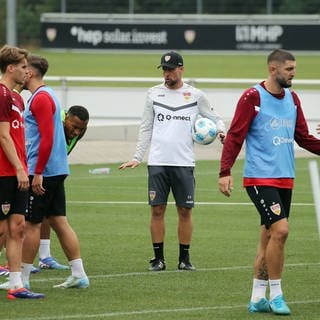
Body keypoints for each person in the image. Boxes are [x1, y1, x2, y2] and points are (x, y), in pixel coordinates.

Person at [218, 49, 320, 315]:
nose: (294, 73)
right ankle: (276, 294)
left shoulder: (293, 98)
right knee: (282, 231)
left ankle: (256, 298)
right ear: (273, 69)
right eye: (289, 69)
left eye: (294, 68)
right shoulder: (253, 97)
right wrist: (224, 171)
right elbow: (235, 136)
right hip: (259, 178)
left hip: (285, 178)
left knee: (269, 237)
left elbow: (303, 137)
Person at [119, 51, 225, 271]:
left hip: (184, 162)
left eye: (170, 69)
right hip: (158, 162)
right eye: (164, 70)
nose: (167, 74)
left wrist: (221, 131)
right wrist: (138, 156)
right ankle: (158, 259)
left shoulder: (196, 95)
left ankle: (184, 259)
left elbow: (215, 119)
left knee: (184, 211)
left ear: (181, 69)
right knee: (157, 210)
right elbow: (146, 126)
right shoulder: (153, 94)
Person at [21, 55, 89, 289]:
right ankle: (79, 274)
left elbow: (48, 137)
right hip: (56, 169)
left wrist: (37, 172)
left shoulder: (40, 98)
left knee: (31, 224)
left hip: (45, 171)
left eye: (22, 68)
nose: (20, 72)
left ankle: (22, 280)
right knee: (59, 221)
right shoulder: (46, 95)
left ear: (29, 72)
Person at [0, 44, 44, 299]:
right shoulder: (3, 95)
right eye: (24, 67)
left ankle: (16, 285)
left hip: (18, 171)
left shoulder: (17, 97)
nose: (27, 71)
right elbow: (3, 136)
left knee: (17, 227)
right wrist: (18, 168)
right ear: (10, 68)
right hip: (6, 172)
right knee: (4, 230)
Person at [37, 105, 89, 270]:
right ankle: (16, 265)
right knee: (23, 219)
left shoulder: (80, 129)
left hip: (53, 172)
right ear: (66, 118)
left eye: (81, 129)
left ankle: (44, 257)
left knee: (48, 216)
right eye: (74, 127)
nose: (76, 132)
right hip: (34, 170)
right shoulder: (53, 119)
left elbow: (63, 151)